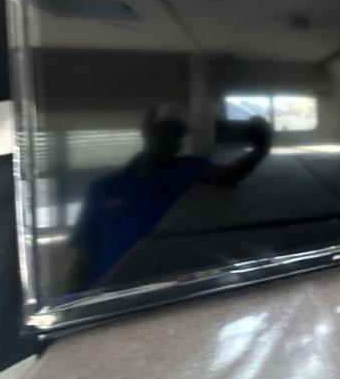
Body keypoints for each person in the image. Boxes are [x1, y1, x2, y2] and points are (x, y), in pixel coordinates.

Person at [69, 104, 272, 290]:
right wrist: (72, 303)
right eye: (165, 132)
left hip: (167, 292)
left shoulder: (187, 169)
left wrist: (260, 149)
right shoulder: (103, 188)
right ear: (146, 132)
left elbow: (230, 175)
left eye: (177, 134)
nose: (173, 140)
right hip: (108, 295)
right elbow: (86, 254)